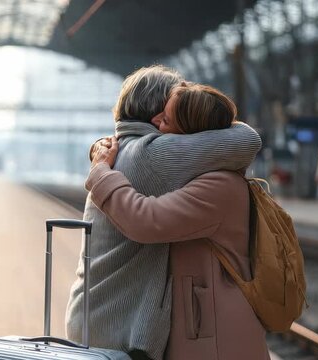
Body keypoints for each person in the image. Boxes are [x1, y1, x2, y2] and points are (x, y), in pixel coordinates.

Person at [64, 66, 262, 360]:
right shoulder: (153, 154)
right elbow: (247, 141)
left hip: (91, 316)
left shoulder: (119, 149)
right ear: (158, 111)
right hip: (119, 329)